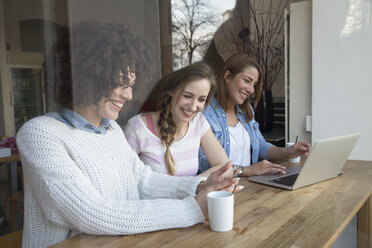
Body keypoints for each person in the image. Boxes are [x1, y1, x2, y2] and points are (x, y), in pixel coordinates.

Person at [16, 22, 240, 248]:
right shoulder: (39, 134)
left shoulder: (110, 129)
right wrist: (191, 208)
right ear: (89, 76)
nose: (129, 95)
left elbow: (142, 179)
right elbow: (91, 212)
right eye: (121, 84)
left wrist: (197, 187)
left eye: (131, 85)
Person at [199, 53, 311, 177]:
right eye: (247, 81)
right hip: (220, 192)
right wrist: (247, 170)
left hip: (249, 188)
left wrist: (287, 152)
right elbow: (204, 163)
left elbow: (260, 145)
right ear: (227, 76)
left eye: (254, 85)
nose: (251, 90)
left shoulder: (246, 110)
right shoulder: (204, 113)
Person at [124, 62, 232, 177]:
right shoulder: (137, 128)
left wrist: (194, 184)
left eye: (201, 99)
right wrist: (191, 185)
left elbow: (226, 168)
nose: (193, 107)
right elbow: (124, 181)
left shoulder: (198, 122)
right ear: (171, 90)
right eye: (187, 96)